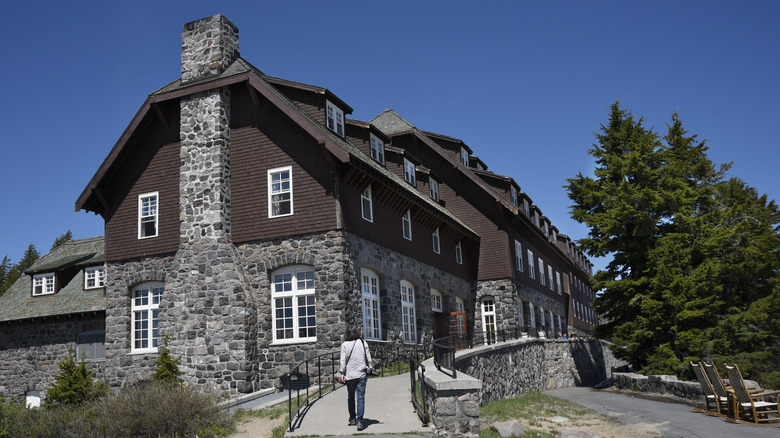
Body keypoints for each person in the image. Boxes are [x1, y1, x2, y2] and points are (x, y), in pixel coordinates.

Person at [339, 326, 372, 431]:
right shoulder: (362, 342)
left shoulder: (344, 345)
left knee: (351, 397)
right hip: (361, 374)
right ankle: (360, 421)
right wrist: (370, 368)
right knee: (361, 398)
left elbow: (343, 361)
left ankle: (352, 418)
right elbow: (368, 357)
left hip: (350, 375)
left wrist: (342, 373)